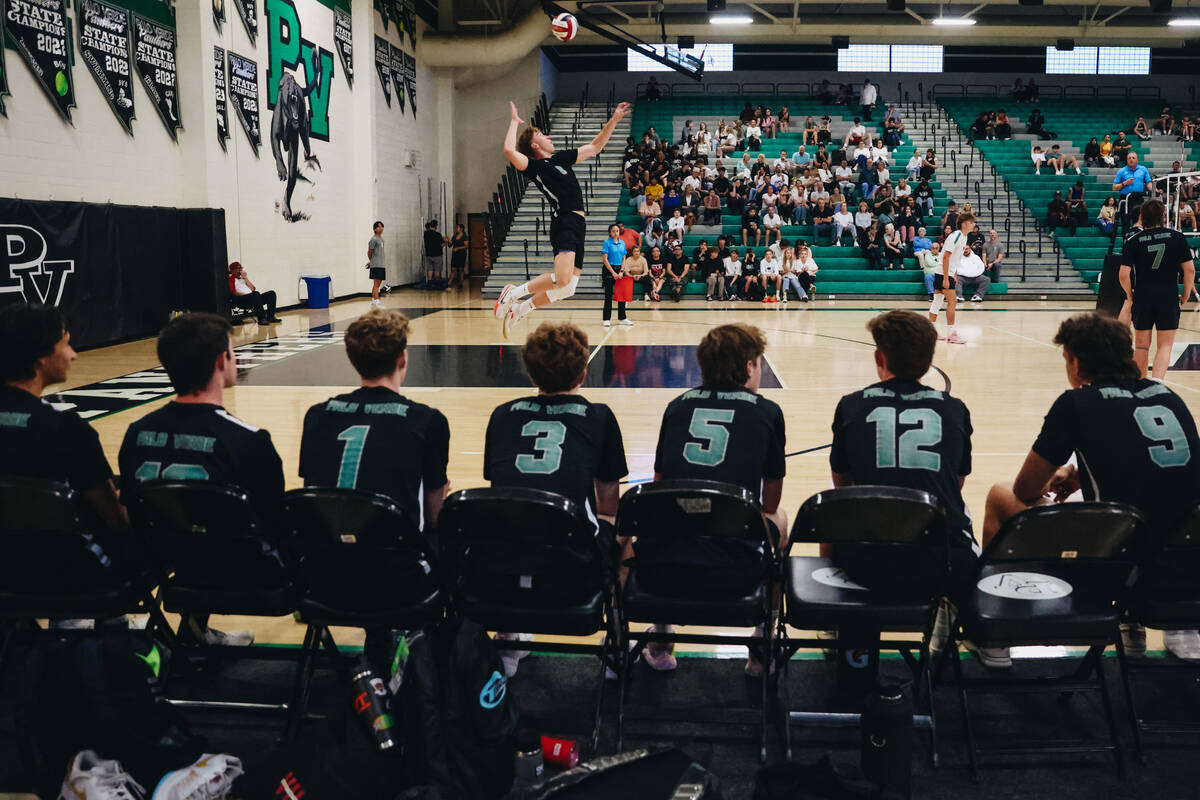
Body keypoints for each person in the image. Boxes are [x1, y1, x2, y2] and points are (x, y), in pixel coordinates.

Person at [982, 313, 1200, 662]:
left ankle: (995, 636)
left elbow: (1025, 490)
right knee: (1142, 506)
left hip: (1120, 567)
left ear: (1077, 361)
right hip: (1187, 563)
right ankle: (1160, 625)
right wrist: (1081, 473)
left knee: (1000, 497)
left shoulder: (1076, 404)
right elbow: (1161, 468)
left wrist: (1057, 475)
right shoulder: (1166, 396)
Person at [298, 309, 450, 672]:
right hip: (397, 575)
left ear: (354, 361)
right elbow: (433, 516)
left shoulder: (317, 415)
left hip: (322, 573)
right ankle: (430, 645)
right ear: (403, 359)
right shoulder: (427, 420)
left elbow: (316, 495)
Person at [119, 313, 284, 647]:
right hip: (241, 572)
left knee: (190, 527)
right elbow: (274, 523)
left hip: (160, 562)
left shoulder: (136, 434)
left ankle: (194, 632)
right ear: (222, 361)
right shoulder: (250, 442)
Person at [638, 324, 787, 676]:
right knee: (779, 517)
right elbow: (769, 501)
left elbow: (660, 486)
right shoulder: (767, 412)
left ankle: (660, 639)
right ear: (750, 367)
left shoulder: (676, 407)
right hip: (736, 569)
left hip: (665, 569)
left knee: (660, 516)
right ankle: (761, 649)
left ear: (703, 367)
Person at [484, 322, 628, 675]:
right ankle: (619, 646)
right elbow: (608, 503)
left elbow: (499, 488)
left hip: (503, 569)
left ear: (531, 372)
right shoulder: (600, 417)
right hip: (572, 572)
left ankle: (508, 640)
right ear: (583, 372)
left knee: (508, 518)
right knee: (626, 533)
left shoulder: (502, 415)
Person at [829, 310, 977, 641]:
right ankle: (954, 620)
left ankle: (840, 623)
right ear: (929, 359)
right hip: (943, 563)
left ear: (879, 357)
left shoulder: (851, 405)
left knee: (834, 499)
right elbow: (957, 483)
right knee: (956, 505)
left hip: (866, 560)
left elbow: (843, 483)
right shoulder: (955, 409)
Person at [496, 99, 632, 337]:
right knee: (562, 278)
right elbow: (509, 150)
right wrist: (513, 123)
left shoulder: (561, 158)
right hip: (565, 220)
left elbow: (595, 147)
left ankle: (520, 309)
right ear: (534, 145)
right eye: (541, 134)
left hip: (579, 223)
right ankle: (513, 293)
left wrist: (614, 120)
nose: (548, 136)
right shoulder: (534, 166)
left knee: (567, 288)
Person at [0, 303, 128, 540]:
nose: (73, 354)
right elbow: (115, 520)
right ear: (41, 357)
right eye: (66, 344)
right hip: (56, 563)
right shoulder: (68, 429)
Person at [1120, 199, 1197, 380]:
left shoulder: (1133, 240)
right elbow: (1190, 270)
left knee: (1141, 346)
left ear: (1142, 216)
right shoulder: (1177, 237)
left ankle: (1140, 386)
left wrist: (1129, 296)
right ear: (1163, 216)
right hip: (1168, 297)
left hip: (1143, 297)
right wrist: (1185, 295)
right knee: (1164, 345)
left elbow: (1123, 274)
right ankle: (1157, 385)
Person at [930, 213, 975, 344]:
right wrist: (945, 277)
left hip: (944, 272)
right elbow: (945, 256)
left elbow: (954, 258)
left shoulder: (964, 237)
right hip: (943, 273)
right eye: (971, 222)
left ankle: (932, 331)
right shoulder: (956, 236)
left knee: (937, 301)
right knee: (953, 301)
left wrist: (954, 273)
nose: (973, 225)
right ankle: (951, 334)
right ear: (965, 223)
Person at [601, 223, 629, 328]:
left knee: (622, 296)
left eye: (617, 231)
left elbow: (624, 258)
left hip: (619, 270)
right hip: (609, 270)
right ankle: (606, 319)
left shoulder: (622, 243)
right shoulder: (607, 243)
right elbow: (605, 259)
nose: (615, 233)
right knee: (608, 295)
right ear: (610, 232)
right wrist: (613, 272)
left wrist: (621, 271)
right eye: (613, 231)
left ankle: (622, 318)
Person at [1113, 152, 1152, 223]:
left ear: (1137, 160)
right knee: (1125, 223)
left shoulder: (1143, 169)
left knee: (1139, 222)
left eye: (1133, 158)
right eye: (1129, 158)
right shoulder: (1121, 171)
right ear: (1127, 160)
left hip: (1138, 199)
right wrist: (1124, 183)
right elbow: (1114, 187)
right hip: (1125, 199)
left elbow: (1148, 183)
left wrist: (1155, 190)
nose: (1131, 160)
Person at [366, 220, 388, 306]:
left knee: (378, 283)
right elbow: (369, 252)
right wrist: (372, 261)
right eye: (379, 226)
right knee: (376, 283)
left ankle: (373, 300)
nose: (381, 228)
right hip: (376, 265)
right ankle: (377, 301)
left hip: (381, 264)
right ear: (375, 229)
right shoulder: (373, 239)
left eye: (382, 226)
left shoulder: (381, 239)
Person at [422, 220, 449, 288]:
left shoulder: (425, 234)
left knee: (430, 270)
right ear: (436, 226)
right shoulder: (438, 235)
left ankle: (430, 283)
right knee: (437, 269)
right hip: (437, 255)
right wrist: (446, 242)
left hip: (428, 254)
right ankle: (437, 283)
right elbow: (441, 245)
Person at [448, 223, 469, 291]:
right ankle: (449, 283)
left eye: (457, 228)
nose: (456, 229)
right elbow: (450, 245)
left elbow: (466, 246)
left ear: (461, 229)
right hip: (455, 254)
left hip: (461, 254)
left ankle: (460, 283)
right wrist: (448, 241)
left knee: (461, 269)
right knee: (453, 269)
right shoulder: (455, 236)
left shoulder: (464, 236)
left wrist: (458, 248)